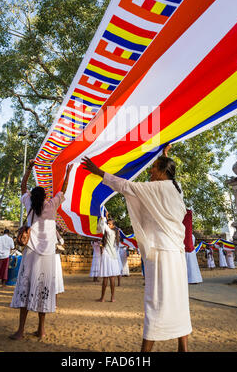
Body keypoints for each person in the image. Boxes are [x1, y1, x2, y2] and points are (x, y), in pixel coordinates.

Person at [81, 144, 192, 352]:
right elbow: (168, 175)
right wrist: (164, 155)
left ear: (161, 172)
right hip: (175, 254)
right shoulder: (177, 190)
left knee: (155, 302)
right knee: (178, 300)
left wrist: (98, 172)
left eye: (153, 168)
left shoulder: (155, 188)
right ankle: (182, 348)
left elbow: (124, 186)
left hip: (160, 253)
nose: (150, 171)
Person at [9, 159, 72, 340]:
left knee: (25, 288)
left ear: (32, 197)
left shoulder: (29, 205)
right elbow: (64, 189)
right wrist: (67, 173)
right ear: (45, 197)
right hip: (47, 257)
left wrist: (29, 168)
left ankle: (21, 331)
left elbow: (22, 186)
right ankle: (41, 330)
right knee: (42, 290)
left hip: (30, 254)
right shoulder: (51, 206)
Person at [96, 210, 121, 302]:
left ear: (113, 226)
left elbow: (103, 225)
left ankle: (104, 298)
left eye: (110, 224)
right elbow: (102, 226)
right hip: (113, 256)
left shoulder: (110, 232)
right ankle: (111, 297)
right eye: (108, 224)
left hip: (108, 255)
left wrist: (104, 216)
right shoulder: (115, 233)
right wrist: (105, 218)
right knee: (110, 277)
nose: (108, 225)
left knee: (108, 277)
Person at [182, 210, 202, 284]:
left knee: (189, 266)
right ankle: (194, 279)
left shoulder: (190, 236)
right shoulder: (191, 236)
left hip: (187, 249)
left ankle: (191, 279)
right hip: (190, 250)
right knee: (192, 266)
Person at [55, 228, 65, 302]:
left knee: (55, 277)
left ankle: (54, 301)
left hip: (53, 256)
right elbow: (61, 241)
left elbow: (61, 241)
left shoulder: (54, 231)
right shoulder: (54, 231)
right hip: (53, 256)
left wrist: (56, 244)